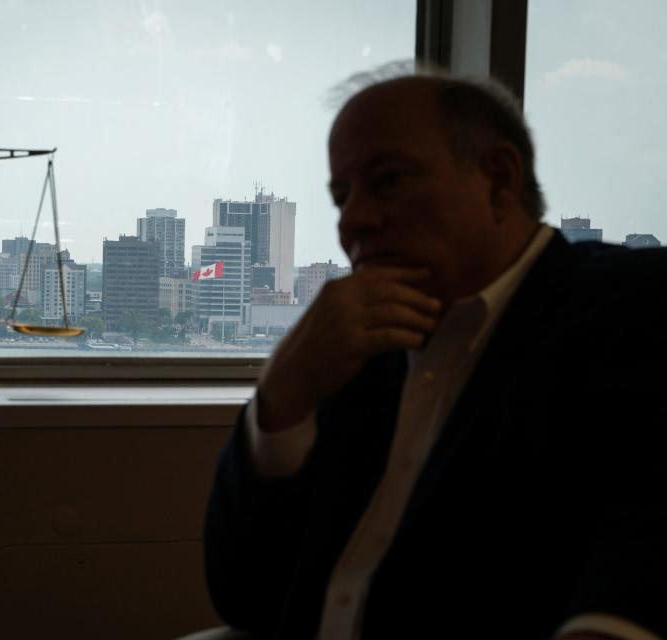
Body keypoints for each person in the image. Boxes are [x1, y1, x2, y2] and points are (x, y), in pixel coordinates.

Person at [203, 66, 667, 640]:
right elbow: (244, 597)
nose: (352, 219)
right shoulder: (354, 355)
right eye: (341, 196)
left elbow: (640, 556)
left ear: (498, 181)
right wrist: (281, 397)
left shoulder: (634, 311)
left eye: (388, 181)